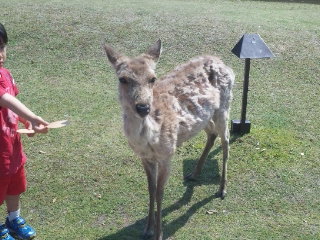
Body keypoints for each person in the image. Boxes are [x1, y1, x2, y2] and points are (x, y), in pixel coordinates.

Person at [0, 23, 49, 240]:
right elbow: (4, 98)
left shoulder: (6, 74)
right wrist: (31, 117)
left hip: (12, 147)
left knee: (15, 186)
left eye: (1, 46)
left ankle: (14, 218)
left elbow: (12, 102)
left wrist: (22, 120)